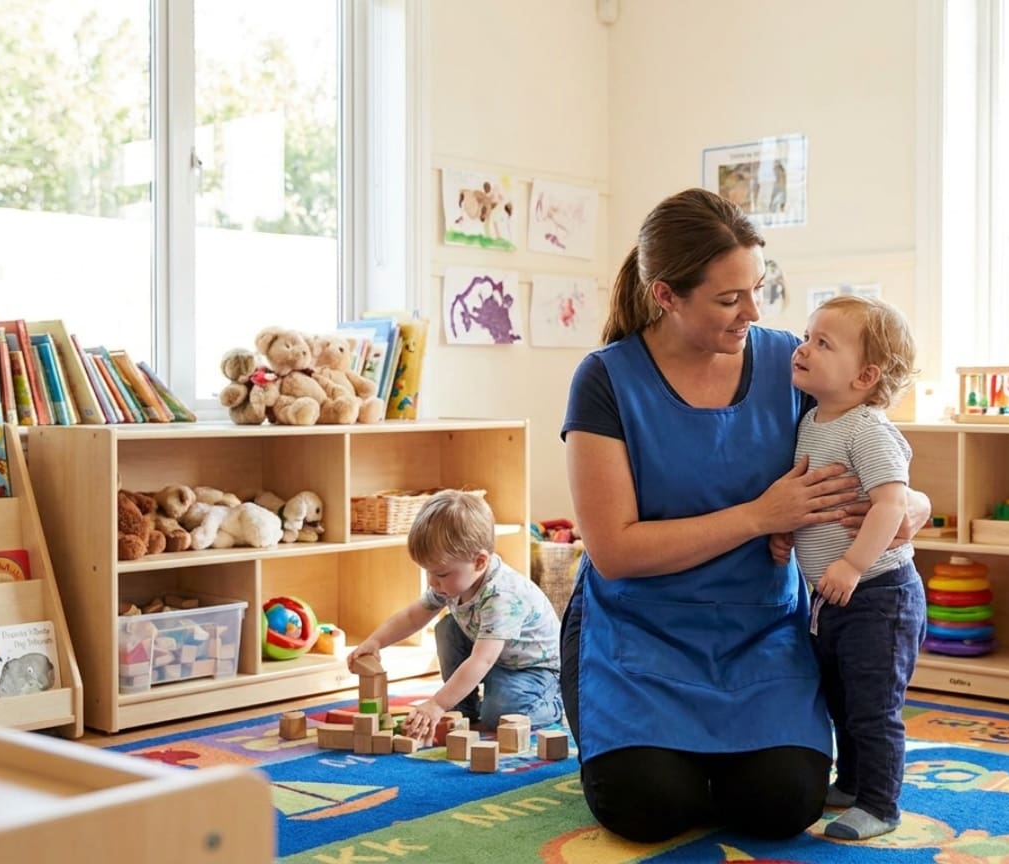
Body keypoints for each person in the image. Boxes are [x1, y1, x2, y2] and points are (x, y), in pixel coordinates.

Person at [561, 188, 932, 843]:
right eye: (730, 299)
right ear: (666, 296)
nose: (753, 312)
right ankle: (664, 753)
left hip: (760, 632)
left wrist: (911, 511)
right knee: (648, 809)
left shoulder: (792, 362)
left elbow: (883, 460)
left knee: (783, 807)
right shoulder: (604, 379)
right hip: (637, 634)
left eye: (758, 289)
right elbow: (615, 551)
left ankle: (723, 756)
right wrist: (761, 516)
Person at [781, 294, 925, 840]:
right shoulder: (813, 420)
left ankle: (882, 805)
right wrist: (785, 536)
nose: (803, 348)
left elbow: (893, 503)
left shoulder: (867, 428)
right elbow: (807, 495)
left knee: (874, 706)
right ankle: (852, 781)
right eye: (806, 335)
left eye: (823, 343)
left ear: (865, 376)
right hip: (833, 597)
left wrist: (851, 563)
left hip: (879, 594)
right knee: (840, 697)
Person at [346, 490, 562, 740]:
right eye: (428, 573)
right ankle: (464, 706)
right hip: (495, 657)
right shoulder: (453, 583)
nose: (432, 582)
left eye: (440, 574)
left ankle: (555, 702)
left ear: (480, 562)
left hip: (533, 669)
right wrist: (376, 641)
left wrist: (437, 704)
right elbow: (412, 616)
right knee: (447, 628)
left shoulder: (502, 596)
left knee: (500, 717)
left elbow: (482, 660)